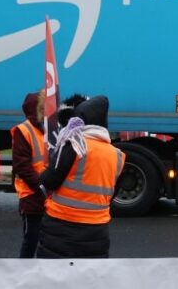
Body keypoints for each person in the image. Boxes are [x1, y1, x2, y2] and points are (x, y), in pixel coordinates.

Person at [37, 95, 125, 258]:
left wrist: (42, 173)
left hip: (62, 227)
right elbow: (111, 192)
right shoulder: (117, 155)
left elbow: (50, 180)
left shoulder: (75, 143)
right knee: (89, 279)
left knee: (56, 277)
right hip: (97, 231)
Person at [11, 91, 48, 257]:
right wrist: (41, 187)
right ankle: (23, 275)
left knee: (45, 240)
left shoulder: (47, 129)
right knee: (31, 240)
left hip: (45, 192)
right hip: (32, 195)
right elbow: (22, 166)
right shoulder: (24, 130)